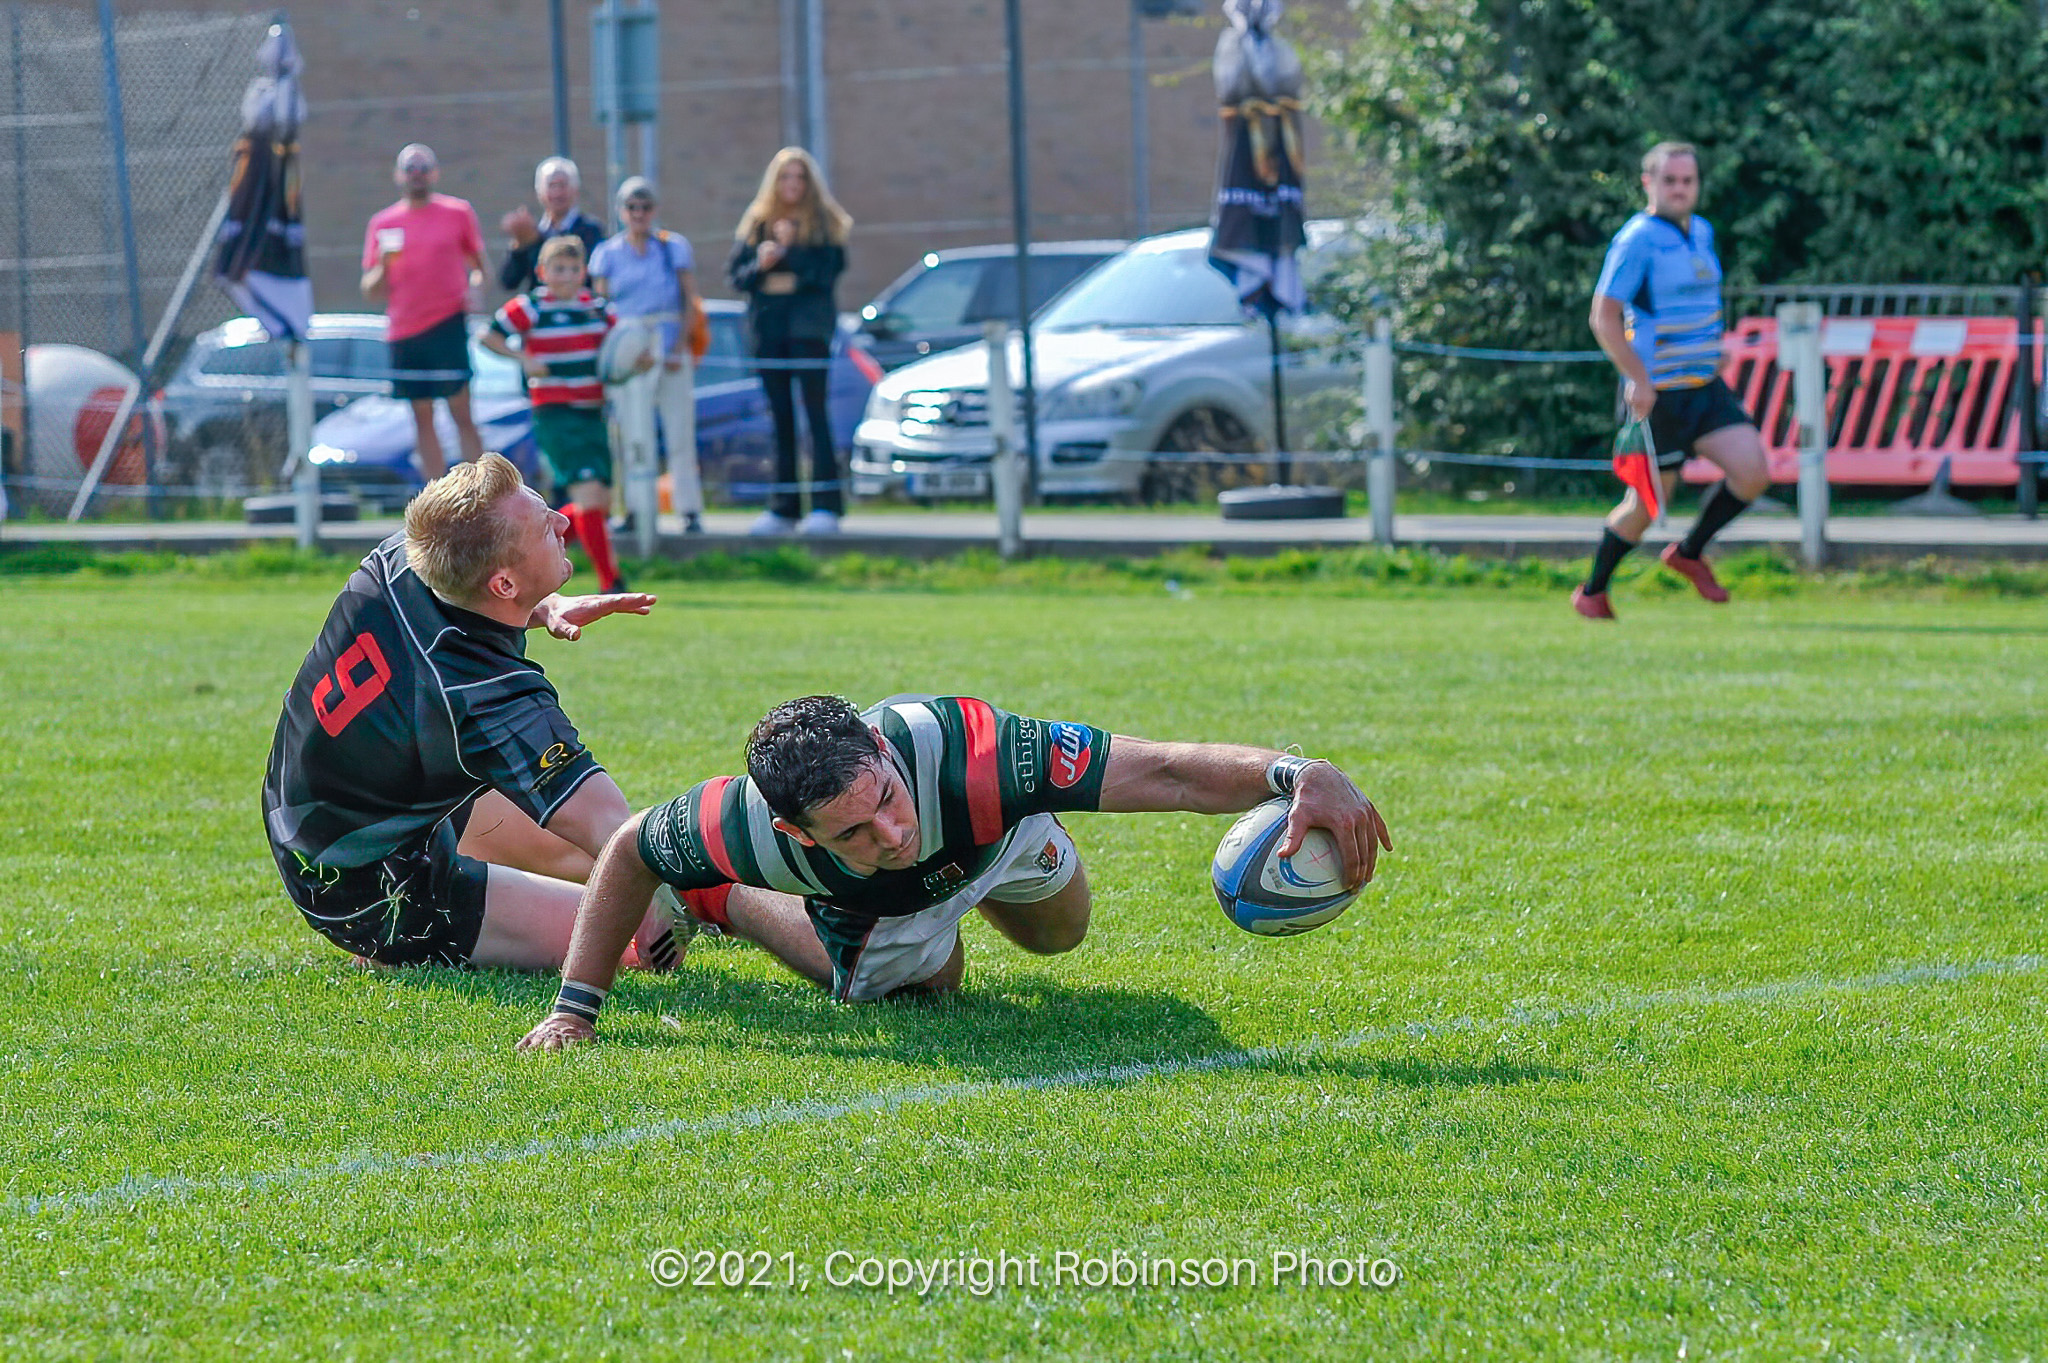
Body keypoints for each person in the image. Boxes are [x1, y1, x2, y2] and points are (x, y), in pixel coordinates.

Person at [517, 693, 1393, 1049]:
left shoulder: (985, 754)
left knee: (1062, 935)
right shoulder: (747, 826)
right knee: (930, 989)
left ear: (882, 746)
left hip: (992, 833)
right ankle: (729, 901)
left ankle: (976, 876)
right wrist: (573, 1010)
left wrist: (1296, 773)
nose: (894, 831)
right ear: (794, 831)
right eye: (856, 830)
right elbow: (629, 847)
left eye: (889, 796)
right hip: (873, 907)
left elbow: (1165, 771)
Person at [261, 453, 830, 982]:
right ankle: (843, 947)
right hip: (356, 883)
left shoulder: (408, 555)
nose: (562, 520)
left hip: (315, 804)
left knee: (583, 853)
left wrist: (541, 604)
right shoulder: (488, 696)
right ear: (504, 583)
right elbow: (620, 833)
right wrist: (669, 897)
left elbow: (464, 605)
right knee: (644, 931)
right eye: (543, 527)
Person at [1575, 141, 1771, 620]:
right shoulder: (1636, 239)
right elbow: (1603, 316)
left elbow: (1696, 300)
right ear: (1649, 183)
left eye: (1688, 181)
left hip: (1703, 387)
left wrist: (1712, 349)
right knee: (1645, 507)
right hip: (1656, 395)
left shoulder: (1701, 231)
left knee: (1752, 473)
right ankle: (1592, 592)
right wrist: (1637, 378)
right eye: (1670, 181)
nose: (1680, 189)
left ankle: (1688, 553)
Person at [480, 236, 635, 594]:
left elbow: (621, 350)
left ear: (584, 272)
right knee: (589, 495)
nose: (566, 276)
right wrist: (524, 359)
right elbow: (488, 336)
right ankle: (611, 581)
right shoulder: (532, 307)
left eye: (573, 269)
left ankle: (525, 548)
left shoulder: (598, 309)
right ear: (542, 272)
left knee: (599, 504)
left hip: (593, 413)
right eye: (558, 269)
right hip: (555, 413)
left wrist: (635, 361)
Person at [728, 147, 851, 536]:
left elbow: (825, 275)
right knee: (780, 418)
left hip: (809, 334)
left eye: (799, 177)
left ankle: (826, 505)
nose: (792, 184)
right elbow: (739, 277)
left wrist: (788, 254)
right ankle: (784, 508)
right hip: (770, 333)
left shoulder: (825, 223)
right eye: (785, 177)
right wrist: (762, 265)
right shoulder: (757, 221)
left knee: (816, 415)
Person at [361, 143, 489, 481]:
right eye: (410, 169)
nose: (416, 175)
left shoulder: (458, 212)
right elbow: (370, 290)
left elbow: (480, 268)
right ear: (398, 175)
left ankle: (481, 492)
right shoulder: (383, 223)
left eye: (423, 168)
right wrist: (383, 265)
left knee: (462, 411)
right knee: (422, 417)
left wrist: (476, 290)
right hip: (405, 331)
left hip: (447, 324)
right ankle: (436, 494)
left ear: (434, 173)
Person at [591, 177, 708, 534]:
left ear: (654, 210)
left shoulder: (672, 248)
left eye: (645, 207)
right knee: (631, 434)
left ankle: (688, 509)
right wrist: (620, 356)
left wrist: (678, 347)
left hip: (668, 343)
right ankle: (636, 509)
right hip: (629, 346)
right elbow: (601, 308)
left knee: (679, 431)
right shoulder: (607, 253)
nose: (638, 214)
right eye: (631, 207)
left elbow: (689, 299)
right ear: (621, 211)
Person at [498, 156, 605, 296]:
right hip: (542, 307)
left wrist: (537, 241)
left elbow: (590, 277)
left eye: (563, 185)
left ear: (576, 190)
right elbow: (509, 282)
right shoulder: (532, 232)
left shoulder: (591, 230)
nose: (557, 193)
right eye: (551, 186)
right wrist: (519, 246)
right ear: (539, 192)